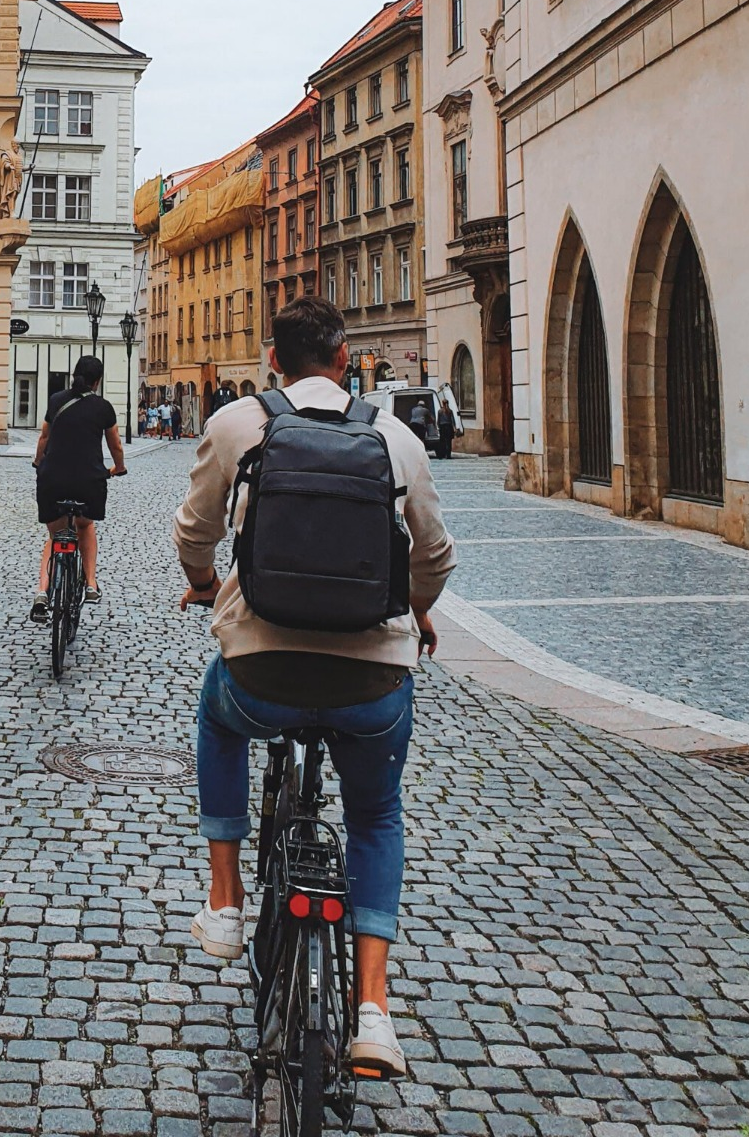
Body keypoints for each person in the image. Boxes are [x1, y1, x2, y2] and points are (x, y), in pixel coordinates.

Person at [174, 295, 455, 1081]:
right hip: (371, 680)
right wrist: (419, 612)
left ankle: (225, 899)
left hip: (263, 669)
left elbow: (194, 531)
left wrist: (206, 583)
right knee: (374, 815)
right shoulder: (395, 436)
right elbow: (432, 554)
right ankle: (374, 1013)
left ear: (274, 362)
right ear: (343, 361)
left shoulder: (237, 424)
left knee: (220, 718)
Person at [30, 356, 126, 620]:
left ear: (74, 376)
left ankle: (41, 591)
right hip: (89, 480)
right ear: (97, 381)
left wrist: (38, 463)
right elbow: (115, 445)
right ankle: (91, 583)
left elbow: (44, 438)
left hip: (53, 479)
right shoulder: (103, 407)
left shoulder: (55, 400)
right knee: (84, 525)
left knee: (55, 535)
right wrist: (118, 468)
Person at [435, 392, 457, 461]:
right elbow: (452, 420)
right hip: (449, 427)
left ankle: (442, 455)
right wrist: (454, 427)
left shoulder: (440, 411)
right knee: (449, 442)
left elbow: (438, 420)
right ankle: (448, 455)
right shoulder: (450, 411)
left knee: (442, 441)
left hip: (442, 427)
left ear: (442, 403)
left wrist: (437, 426)